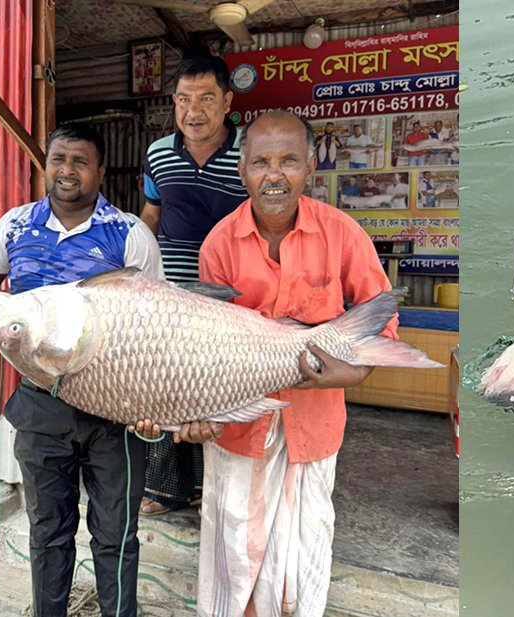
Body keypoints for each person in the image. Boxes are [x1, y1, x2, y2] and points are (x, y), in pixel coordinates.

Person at [156, 109, 396, 617]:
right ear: (242, 170)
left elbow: (379, 325)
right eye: (261, 162)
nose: (274, 174)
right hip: (239, 426)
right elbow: (206, 348)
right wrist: (198, 413)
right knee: (234, 546)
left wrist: (347, 373)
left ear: (311, 167)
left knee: (303, 548)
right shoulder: (220, 242)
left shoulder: (342, 234)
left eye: (288, 160)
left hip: (315, 423)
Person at [0, 123, 163, 617]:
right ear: (45, 164)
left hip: (115, 411)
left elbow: (156, 324)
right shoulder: (14, 226)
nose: (66, 170)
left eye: (80, 161)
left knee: (116, 534)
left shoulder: (130, 234)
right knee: (47, 532)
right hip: (40, 405)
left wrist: (151, 402)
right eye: (58, 159)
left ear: (99, 170)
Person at [139, 53, 248, 516]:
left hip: (232, 296)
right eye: (184, 99)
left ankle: (212, 488)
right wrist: (141, 280)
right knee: (168, 386)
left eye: (206, 98)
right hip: (172, 294)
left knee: (220, 389)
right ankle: (165, 489)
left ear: (226, 100)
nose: (194, 111)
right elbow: (150, 216)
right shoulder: (159, 153)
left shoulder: (250, 152)